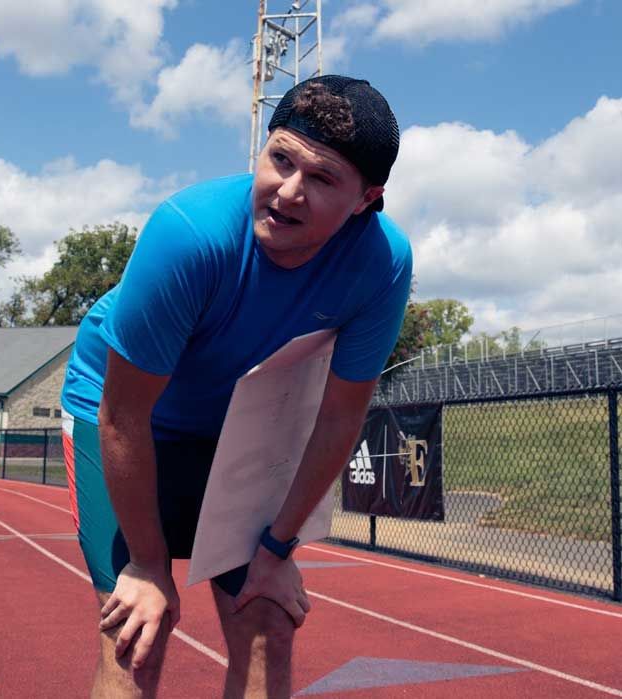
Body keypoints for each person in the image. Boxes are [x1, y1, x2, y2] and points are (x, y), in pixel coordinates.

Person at [60, 74, 412, 698]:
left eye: (324, 179)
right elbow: (123, 414)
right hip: (120, 410)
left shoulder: (382, 265)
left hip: (236, 424)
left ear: (367, 199)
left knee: (267, 622)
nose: (289, 192)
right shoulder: (188, 233)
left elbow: (336, 419)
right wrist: (146, 564)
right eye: (281, 159)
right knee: (137, 633)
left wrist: (278, 549)